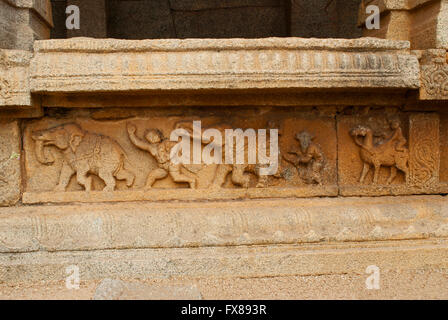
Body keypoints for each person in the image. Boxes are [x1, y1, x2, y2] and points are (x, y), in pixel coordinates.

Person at [127, 123, 196, 189]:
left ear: (159, 135)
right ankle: (147, 187)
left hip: (172, 163)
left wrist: (171, 155)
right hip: (162, 167)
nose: (153, 138)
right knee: (152, 174)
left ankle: (191, 180)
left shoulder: (166, 143)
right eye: (150, 137)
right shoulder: (150, 147)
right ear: (148, 140)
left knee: (176, 177)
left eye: (154, 135)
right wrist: (131, 134)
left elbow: (178, 146)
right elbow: (138, 143)